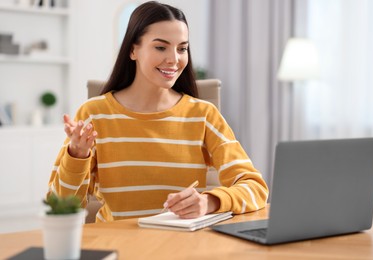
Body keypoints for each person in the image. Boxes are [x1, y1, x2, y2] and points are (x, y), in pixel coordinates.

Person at [47, 1, 269, 222]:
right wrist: (77, 155)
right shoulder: (94, 114)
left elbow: (256, 188)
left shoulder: (203, 115)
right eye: (161, 47)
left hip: (184, 247)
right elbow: (59, 206)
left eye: (182, 48)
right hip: (120, 247)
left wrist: (208, 202)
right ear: (133, 50)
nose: (174, 59)